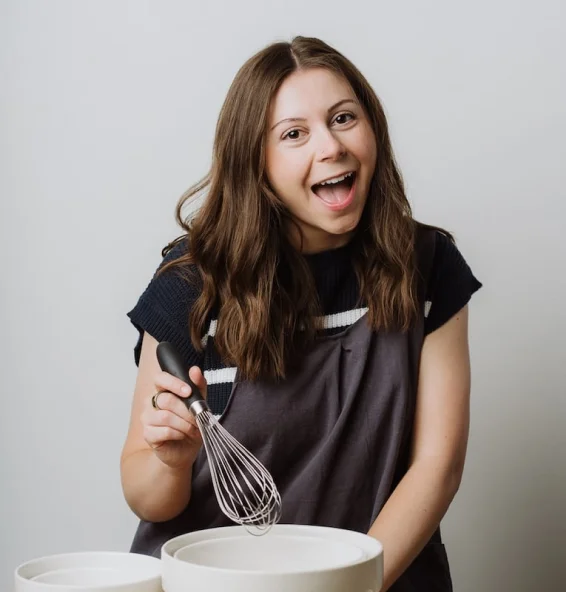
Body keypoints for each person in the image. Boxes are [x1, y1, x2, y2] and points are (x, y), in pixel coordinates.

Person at [120, 36, 482, 591]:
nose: (331, 146)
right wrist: (169, 463)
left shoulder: (428, 269)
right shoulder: (192, 285)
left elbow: (437, 469)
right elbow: (146, 495)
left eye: (344, 118)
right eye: (294, 134)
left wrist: (348, 585)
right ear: (256, 163)